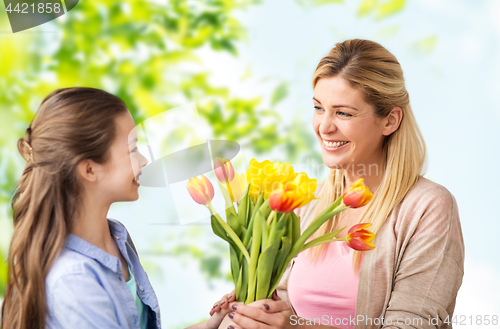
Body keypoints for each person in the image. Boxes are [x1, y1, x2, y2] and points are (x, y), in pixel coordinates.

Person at [218, 39, 465, 328]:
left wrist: (295, 328)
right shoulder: (308, 204)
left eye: (343, 113)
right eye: (318, 108)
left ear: (390, 121)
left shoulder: (427, 207)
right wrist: (258, 303)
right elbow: (290, 308)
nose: (324, 127)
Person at [0, 87, 232, 329]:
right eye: (132, 149)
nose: (143, 160)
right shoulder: (74, 280)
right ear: (89, 170)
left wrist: (211, 326)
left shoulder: (117, 238)